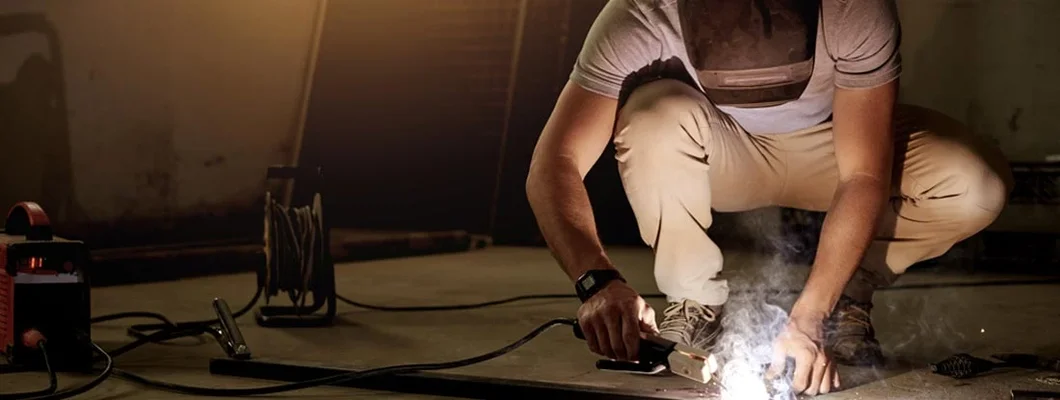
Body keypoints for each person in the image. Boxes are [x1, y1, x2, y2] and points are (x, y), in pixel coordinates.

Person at [524, 0, 1012, 396]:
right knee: (651, 116)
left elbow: (863, 174)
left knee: (975, 184)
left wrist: (810, 314)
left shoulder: (855, 8)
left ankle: (845, 297)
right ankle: (693, 302)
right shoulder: (641, 13)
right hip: (719, 147)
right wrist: (596, 281)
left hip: (835, 141)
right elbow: (554, 163)